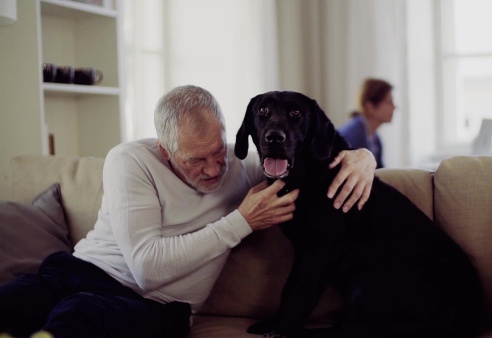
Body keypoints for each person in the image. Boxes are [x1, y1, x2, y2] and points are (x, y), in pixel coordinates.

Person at [0, 85, 376, 338]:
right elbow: (147, 265)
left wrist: (365, 157)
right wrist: (241, 222)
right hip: (77, 272)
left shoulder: (242, 166)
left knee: (76, 314)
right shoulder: (129, 160)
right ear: (164, 150)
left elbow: (316, 158)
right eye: (196, 160)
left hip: (159, 308)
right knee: (16, 300)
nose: (214, 169)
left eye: (217, 151)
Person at [338, 78, 396, 168]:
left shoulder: (375, 138)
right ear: (370, 107)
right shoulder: (351, 136)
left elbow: (380, 173)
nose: (394, 107)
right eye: (389, 102)